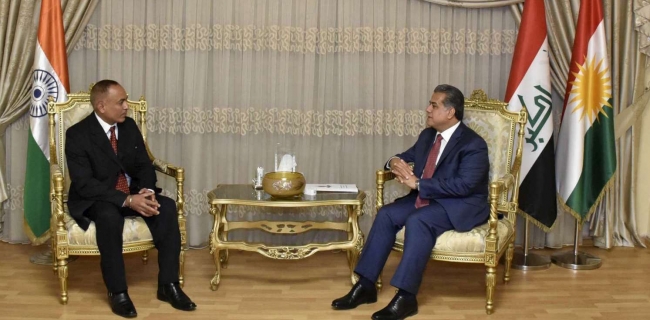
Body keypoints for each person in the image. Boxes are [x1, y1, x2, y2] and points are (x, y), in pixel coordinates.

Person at [331, 84, 490, 320]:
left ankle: (406, 297)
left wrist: (419, 185)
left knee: (418, 220)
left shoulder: (473, 144)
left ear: (450, 112)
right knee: (386, 214)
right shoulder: (428, 136)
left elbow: (464, 185)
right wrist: (394, 161)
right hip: (429, 196)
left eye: (433, 105)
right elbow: (405, 157)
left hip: (460, 204)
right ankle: (365, 286)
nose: (427, 109)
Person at [65, 80, 196, 318]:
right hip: (98, 197)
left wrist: (146, 191)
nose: (127, 106)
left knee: (165, 207)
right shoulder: (77, 135)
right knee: (108, 216)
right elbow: (85, 183)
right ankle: (118, 292)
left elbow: (144, 165)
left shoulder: (129, 127)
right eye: (121, 102)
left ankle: (169, 286)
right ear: (102, 106)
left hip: (133, 192)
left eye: (126, 100)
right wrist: (126, 200)